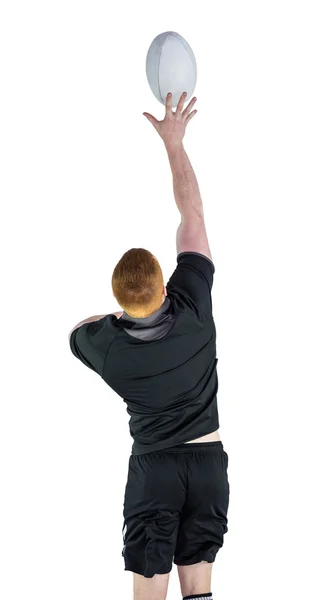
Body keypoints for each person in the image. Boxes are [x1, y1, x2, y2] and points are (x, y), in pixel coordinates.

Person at [68, 92, 229, 600]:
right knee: (199, 589)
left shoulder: (107, 348)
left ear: (119, 301)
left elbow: (77, 329)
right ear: (164, 286)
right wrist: (174, 144)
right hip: (207, 464)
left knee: (148, 593)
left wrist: (117, 317)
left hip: (154, 468)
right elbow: (194, 215)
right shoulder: (194, 307)